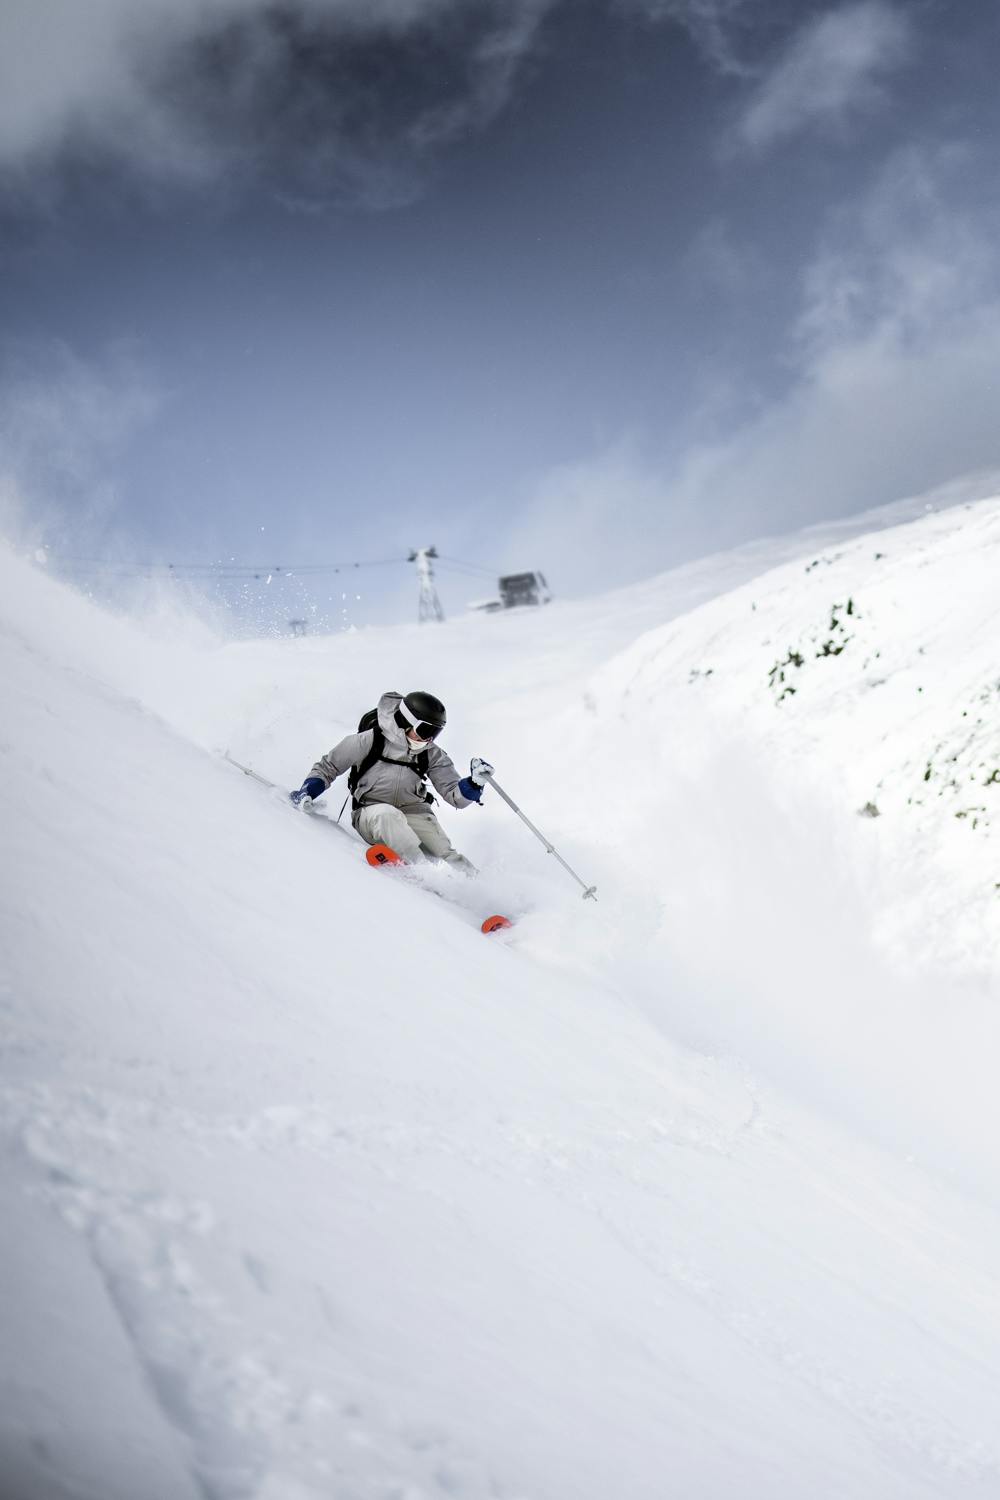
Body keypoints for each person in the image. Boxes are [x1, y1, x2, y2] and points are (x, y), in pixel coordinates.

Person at [289, 690, 493, 874]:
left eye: (435, 733)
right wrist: (309, 790)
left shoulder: (431, 754)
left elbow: (454, 796)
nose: (429, 739)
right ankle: (422, 873)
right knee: (389, 816)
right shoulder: (369, 740)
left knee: (445, 853)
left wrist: (474, 784)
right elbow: (329, 766)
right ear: (406, 722)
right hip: (371, 813)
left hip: (415, 812)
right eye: (425, 731)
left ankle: (481, 892)